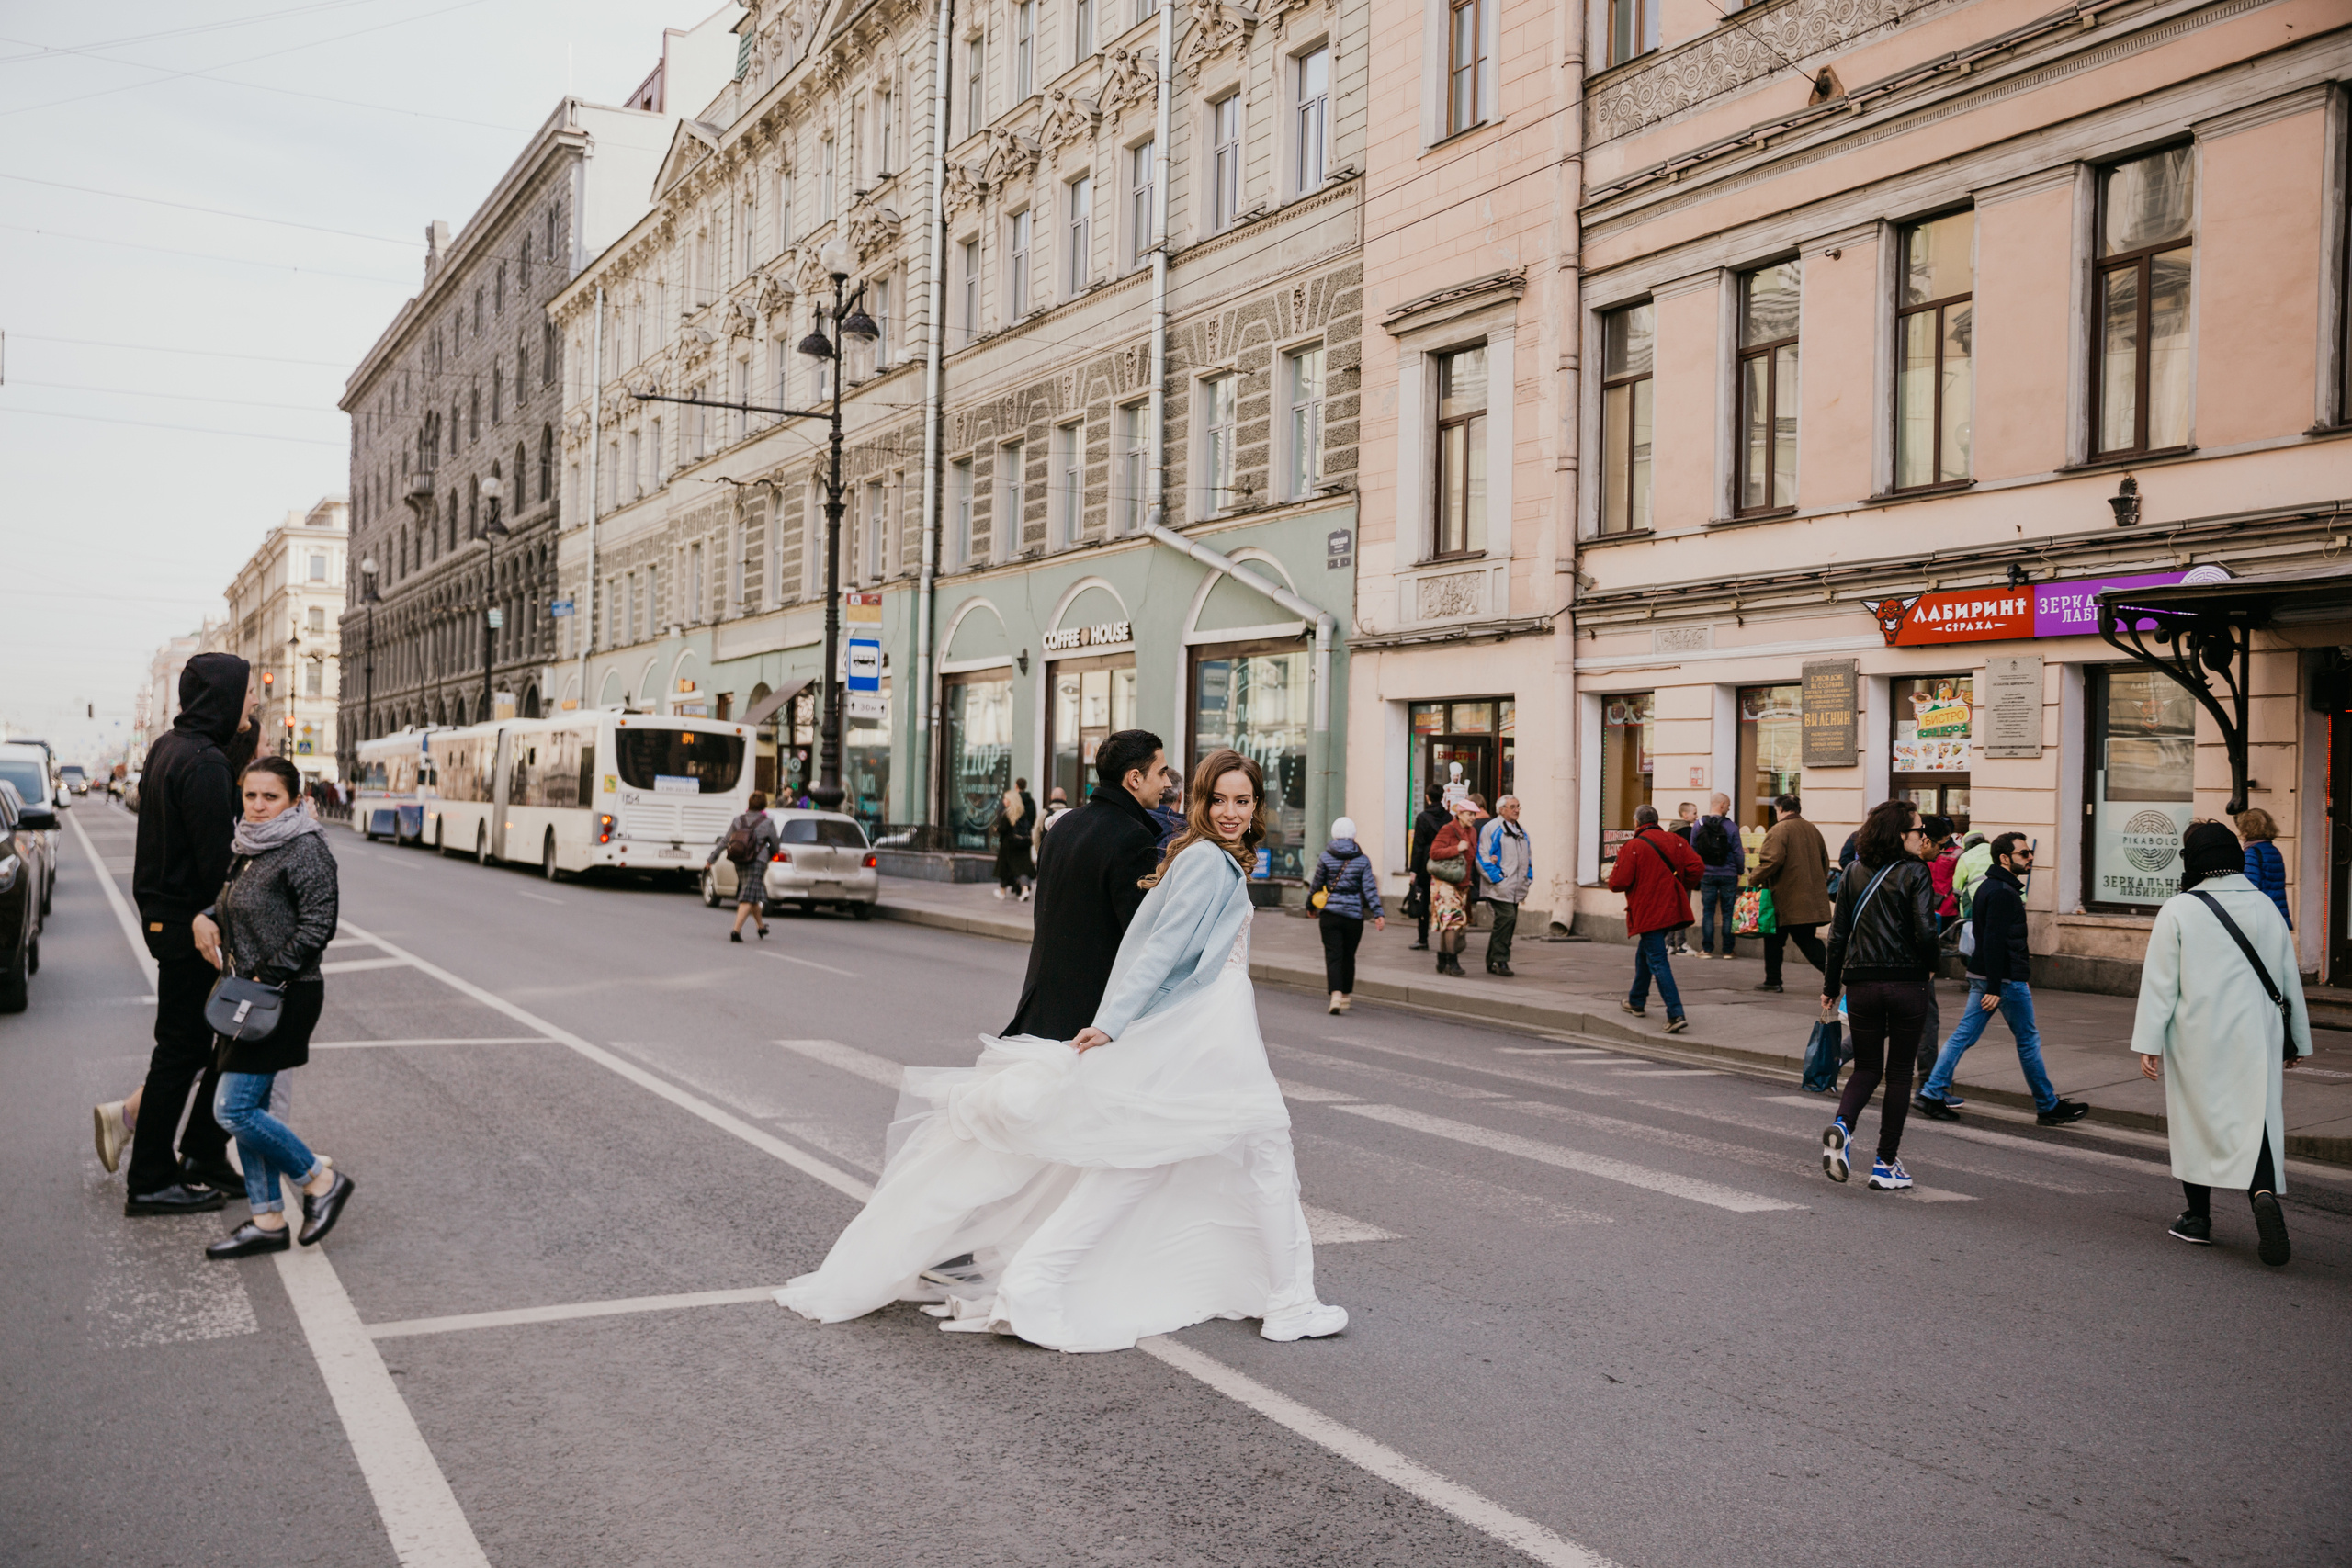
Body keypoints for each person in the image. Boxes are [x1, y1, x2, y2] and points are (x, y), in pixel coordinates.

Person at [775, 750, 1347, 1349]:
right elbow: (1158, 949)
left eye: (1244, 800)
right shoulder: (1207, 860)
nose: (1231, 811)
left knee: (1163, 1158)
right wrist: (1112, 1022)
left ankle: (1049, 1279)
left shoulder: (1211, 857)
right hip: (1206, 1028)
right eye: (1219, 800)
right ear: (1200, 803)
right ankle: (1283, 1300)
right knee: (1233, 1152)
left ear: (1257, 805)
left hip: (1207, 1023)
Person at [103, 653, 254, 1214]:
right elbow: (218, 858)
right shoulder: (205, 764)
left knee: (208, 1045)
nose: (256, 700)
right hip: (193, 925)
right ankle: (151, 1178)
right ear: (223, 697)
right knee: (183, 1051)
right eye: (247, 692)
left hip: (167, 916)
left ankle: (199, 1155)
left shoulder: (172, 747)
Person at [197, 757, 356, 1258]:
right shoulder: (248, 846)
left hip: (283, 995)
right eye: (251, 795)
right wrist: (204, 915)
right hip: (251, 994)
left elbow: (317, 927)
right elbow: (233, 902)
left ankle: (320, 1180)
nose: (260, 806)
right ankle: (267, 1218)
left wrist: (266, 977)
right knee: (254, 1108)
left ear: (293, 800)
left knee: (233, 1108)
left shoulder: (304, 848)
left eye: (271, 797)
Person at [2134, 821, 2310, 1264]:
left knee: (2196, 1121)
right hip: (2259, 1031)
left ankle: (2197, 1218)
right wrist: (2296, 1042)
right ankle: (2263, 1191)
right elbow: (2288, 979)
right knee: (2259, 1118)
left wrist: (2149, 1042)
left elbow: (2161, 985)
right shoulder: (2266, 906)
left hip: (2198, 1034)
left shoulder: (2179, 909)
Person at [1001, 731, 1175, 1041]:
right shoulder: (1133, 837)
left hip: (1038, 1008)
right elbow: (1137, 936)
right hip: (1088, 1019)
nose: (1168, 783)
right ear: (1135, 778)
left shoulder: (1063, 825)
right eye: (1161, 772)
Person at [1915, 832, 2088, 1126]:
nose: (2030, 857)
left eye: (2028, 853)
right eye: (2024, 854)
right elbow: (1993, 940)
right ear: (2005, 859)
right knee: (2027, 1040)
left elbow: (1986, 938)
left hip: (1989, 976)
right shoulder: (2003, 893)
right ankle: (2047, 1105)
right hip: (2004, 980)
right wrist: (1996, 986)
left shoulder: (1990, 887)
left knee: (1963, 1037)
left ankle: (1931, 1092)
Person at [1817, 800, 1941, 1191]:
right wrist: (1932, 963)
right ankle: (1886, 1164)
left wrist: (1829, 988)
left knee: (1867, 1067)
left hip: (1861, 983)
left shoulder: (1853, 871)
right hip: (1907, 983)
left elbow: (1837, 936)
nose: (1923, 838)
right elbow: (1925, 929)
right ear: (1900, 835)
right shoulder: (1916, 872)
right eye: (1918, 831)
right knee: (1900, 1073)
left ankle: (1843, 1125)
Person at [1606, 803, 1702, 1034]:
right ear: (1656, 821)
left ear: (1637, 823)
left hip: (1649, 911)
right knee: (1646, 953)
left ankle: (1675, 1013)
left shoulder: (1633, 846)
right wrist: (1681, 886)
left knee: (1658, 960)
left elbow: (1618, 883)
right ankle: (1636, 1001)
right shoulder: (1676, 840)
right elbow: (1697, 866)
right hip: (1671, 909)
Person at [1755, 795, 1831, 994]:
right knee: (1797, 939)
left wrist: (1753, 878)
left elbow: (1771, 861)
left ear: (1779, 809)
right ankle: (1772, 979)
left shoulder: (1779, 830)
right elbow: (1825, 862)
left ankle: (1835, 974)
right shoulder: (1812, 829)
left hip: (1785, 898)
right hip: (1807, 898)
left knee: (1795, 941)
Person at [1307, 816, 1384, 1012]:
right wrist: (1378, 913)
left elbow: (1316, 884)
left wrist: (1310, 905)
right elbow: (1369, 888)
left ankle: (1336, 996)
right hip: (1353, 916)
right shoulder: (1363, 859)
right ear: (1353, 835)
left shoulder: (1325, 857)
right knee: (1349, 956)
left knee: (1333, 955)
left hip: (1330, 914)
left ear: (1334, 834)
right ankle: (1347, 996)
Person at [1424, 798, 1484, 977]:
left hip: (1461, 884)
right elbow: (1434, 852)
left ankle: (1442, 961)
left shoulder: (1472, 832)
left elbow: (1471, 858)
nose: (1473, 818)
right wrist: (1456, 848)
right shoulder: (1448, 829)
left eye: (1474, 814)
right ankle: (1453, 961)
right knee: (1452, 922)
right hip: (1444, 884)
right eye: (1469, 814)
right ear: (1459, 814)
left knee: (1450, 924)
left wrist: (1469, 879)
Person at [709, 792, 780, 942]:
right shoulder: (767, 823)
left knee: (751, 891)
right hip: (757, 862)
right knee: (748, 896)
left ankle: (761, 927)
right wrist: (770, 855)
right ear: (763, 805)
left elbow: (725, 841)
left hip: (739, 860)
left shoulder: (738, 820)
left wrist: (712, 859)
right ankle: (736, 931)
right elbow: (775, 846)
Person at [1476, 795, 1531, 977]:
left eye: (1518, 806)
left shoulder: (1521, 831)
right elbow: (1482, 856)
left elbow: (1527, 858)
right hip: (1500, 887)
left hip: (1516, 887)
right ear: (1502, 810)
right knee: (1506, 919)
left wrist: (1527, 878)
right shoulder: (1491, 828)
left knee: (1507, 922)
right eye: (1512, 807)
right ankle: (1501, 960)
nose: (1516, 810)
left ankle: (1492, 960)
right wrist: (1497, 878)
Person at [1691, 792, 1746, 959]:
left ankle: (1706, 949)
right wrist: (1740, 871)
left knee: (1708, 911)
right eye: (1728, 805)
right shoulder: (1731, 827)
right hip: (1728, 873)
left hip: (1707, 873)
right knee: (1728, 912)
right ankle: (1728, 951)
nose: (1729, 808)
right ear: (1722, 805)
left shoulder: (1698, 824)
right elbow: (1738, 853)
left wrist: (1698, 870)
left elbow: (1692, 849)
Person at [1408, 784, 1449, 952]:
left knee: (1423, 901)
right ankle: (1447, 939)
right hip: (1444, 864)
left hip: (1426, 864)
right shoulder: (1449, 818)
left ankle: (1423, 939)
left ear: (1427, 797)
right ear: (1442, 798)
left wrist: (1413, 871)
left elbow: (1417, 847)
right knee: (1445, 900)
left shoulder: (1423, 818)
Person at [2237, 808, 2291, 929]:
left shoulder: (2252, 853)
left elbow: (2249, 888)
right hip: (2277, 914)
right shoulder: (2273, 850)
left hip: (2262, 918)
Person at [991, 782, 1035, 902]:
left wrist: (997, 829)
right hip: (1023, 844)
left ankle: (1002, 892)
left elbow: (1004, 829)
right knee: (1022, 868)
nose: (1004, 801)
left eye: (1005, 798)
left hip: (1009, 845)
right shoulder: (1022, 812)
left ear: (1010, 800)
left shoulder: (1008, 814)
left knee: (1004, 868)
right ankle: (1025, 890)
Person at [1665, 803, 1699, 953]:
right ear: (1685, 815)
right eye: (1694, 813)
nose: (1696, 816)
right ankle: (1681, 944)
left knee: (1672, 909)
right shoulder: (1689, 832)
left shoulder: (1670, 831)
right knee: (1683, 910)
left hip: (1670, 876)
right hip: (1683, 877)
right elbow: (1691, 855)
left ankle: (1669, 944)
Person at [1952, 830, 1993, 919]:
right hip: (2002, 895)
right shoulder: (1995, 851)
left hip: (1975, 900)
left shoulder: (1965, 857)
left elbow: (1957, 885)